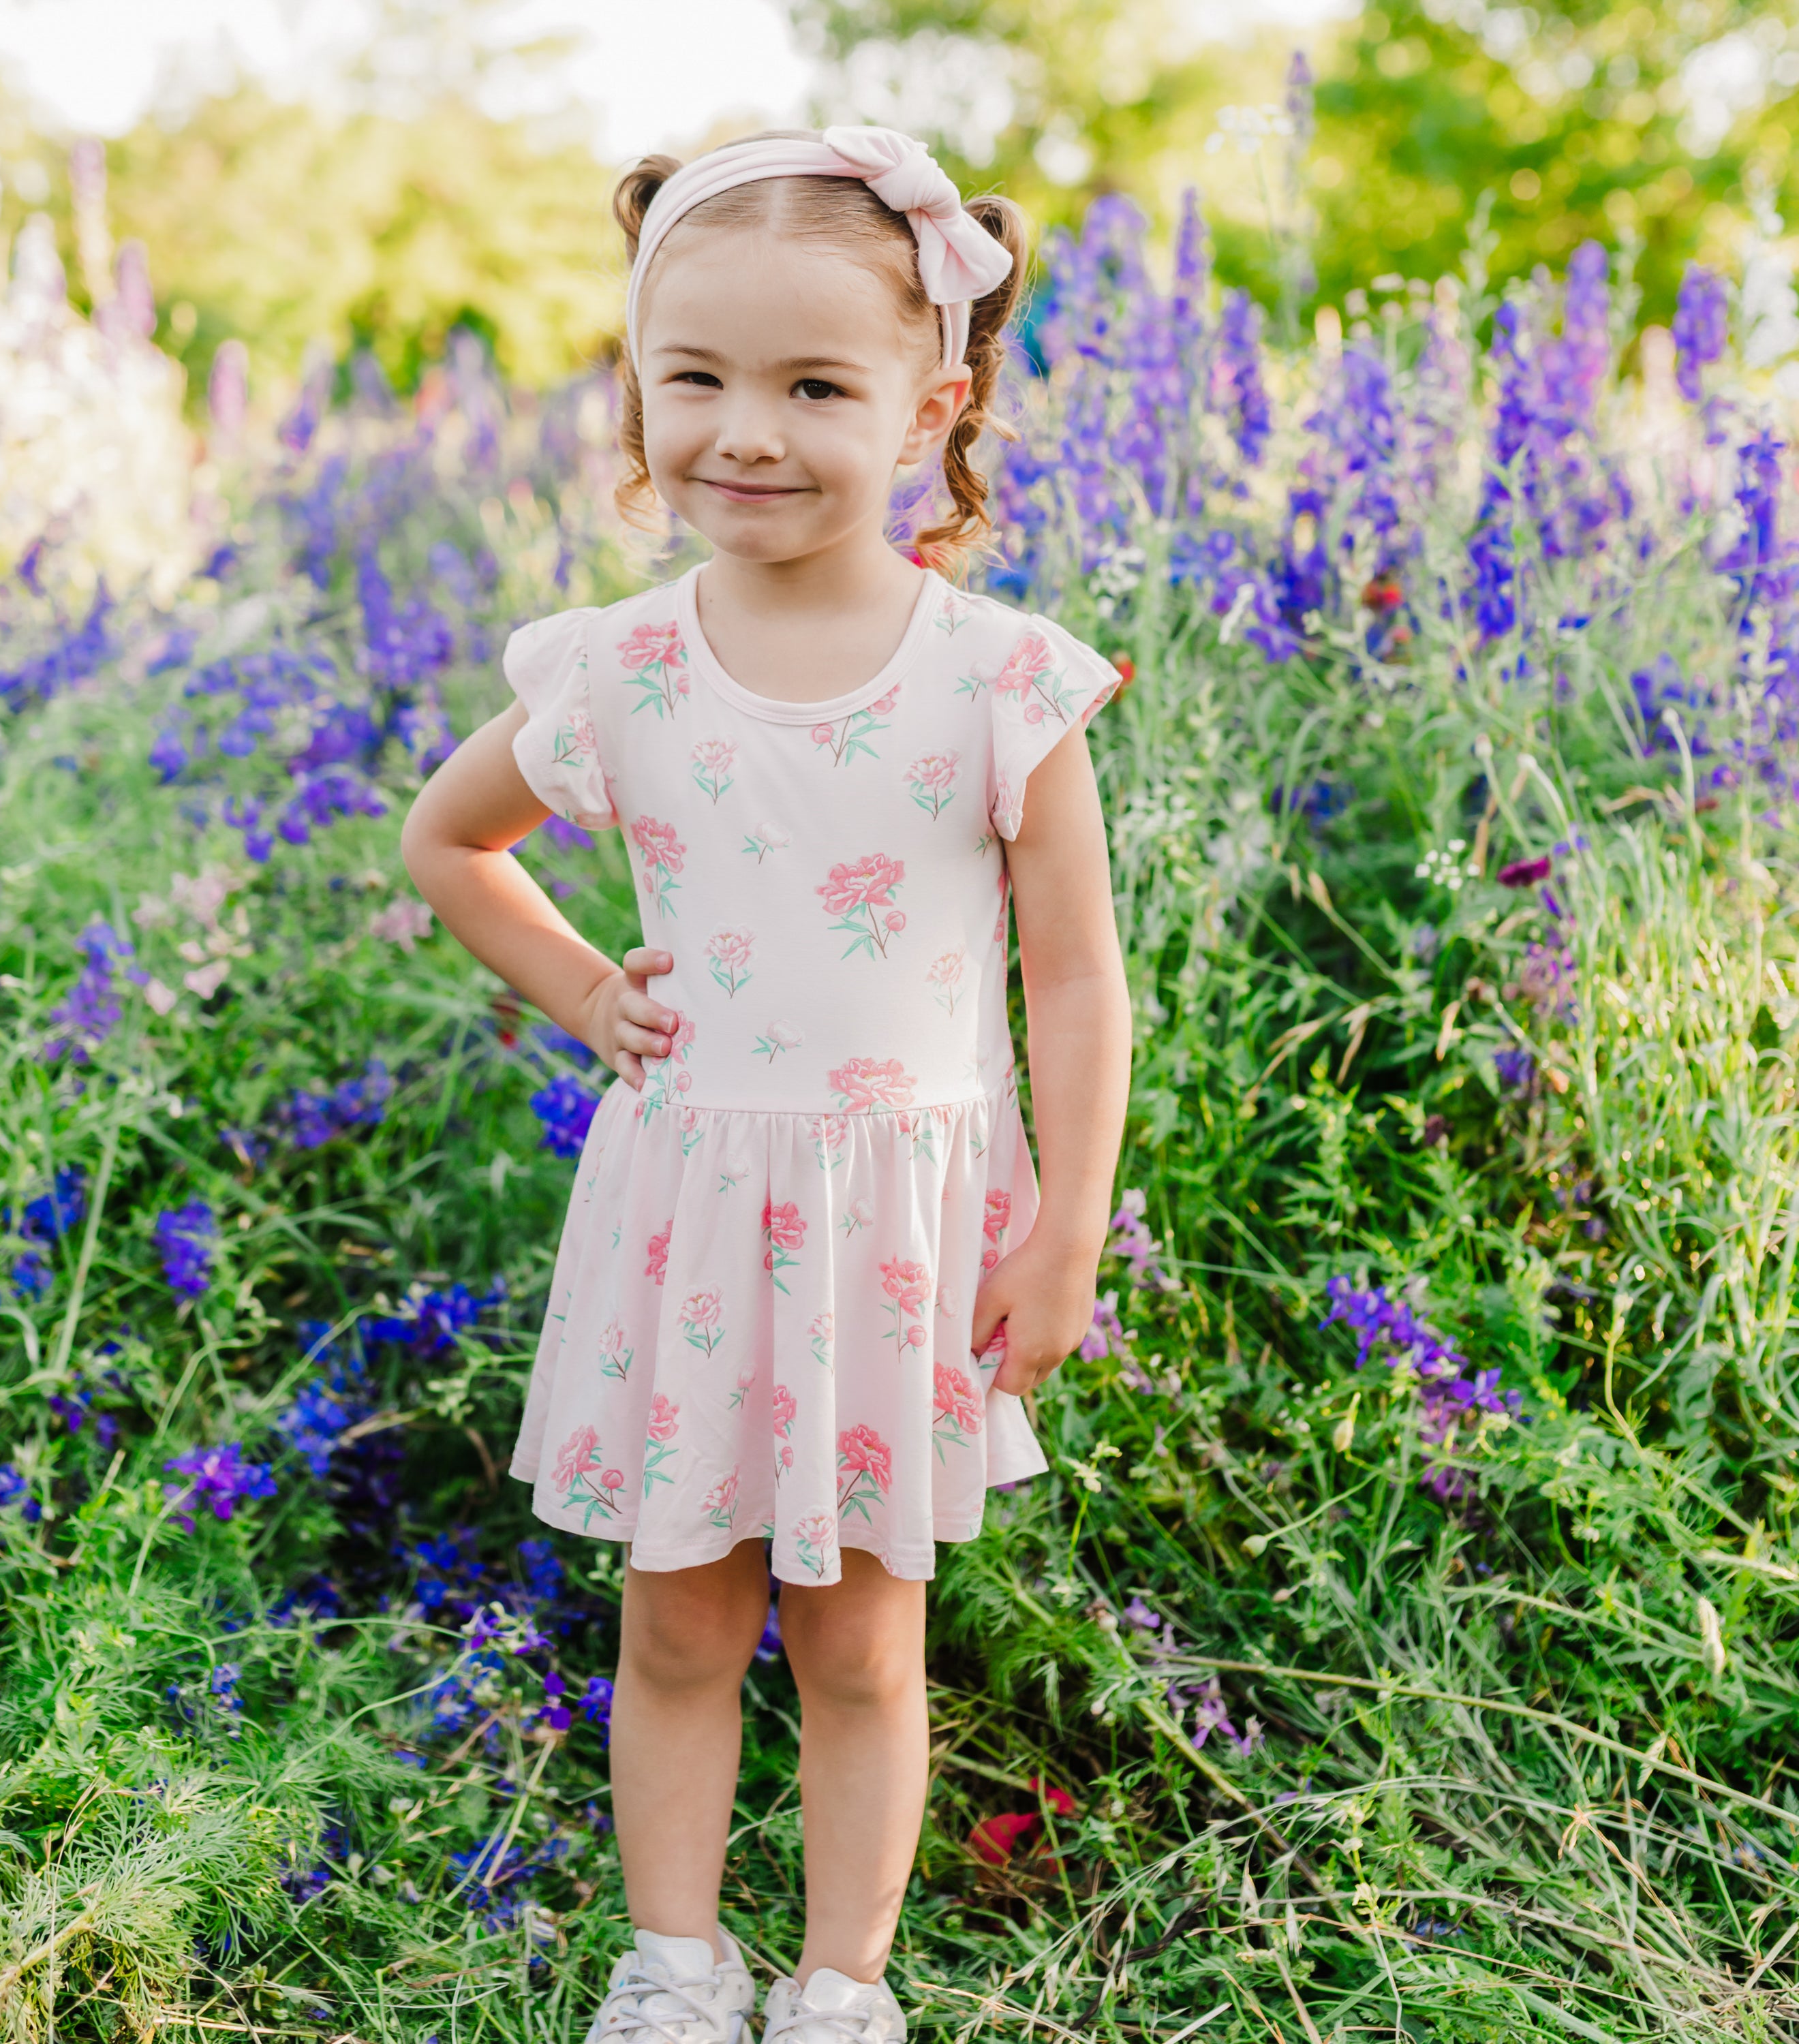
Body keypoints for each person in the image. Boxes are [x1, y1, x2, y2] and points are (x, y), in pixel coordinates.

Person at [401, 125, 1132, 2044]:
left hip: (900, 1234)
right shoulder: (626, 670)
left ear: (929, 408)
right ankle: (675, 1963)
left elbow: (1076, 976)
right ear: (637, 392)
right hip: (696, 1219)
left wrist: (1065, 1229)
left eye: (815, 386)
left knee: (867, 1641)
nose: (746, 432)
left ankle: (839, 1984)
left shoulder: (996, 680)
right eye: (696, 378)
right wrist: (588, 992)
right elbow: (449, 842)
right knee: (679, 1619)